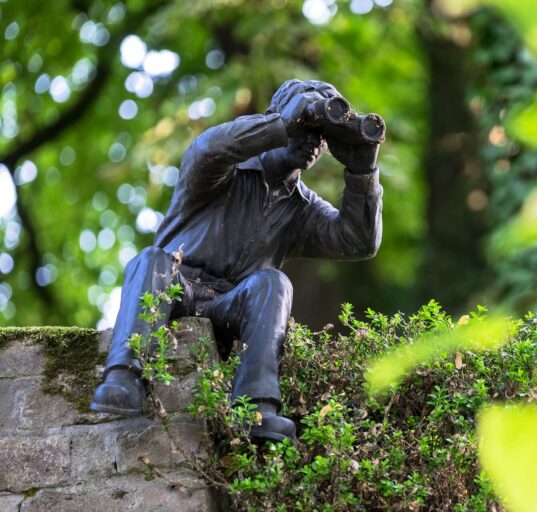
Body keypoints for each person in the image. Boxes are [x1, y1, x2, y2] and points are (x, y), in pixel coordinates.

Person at [90, 80, 384, 442]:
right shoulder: (223, 166)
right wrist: (279, 126)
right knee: (151, 260)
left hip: (227, 307)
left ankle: (256, 408)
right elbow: (209, 148)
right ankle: (123, 375)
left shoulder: (301, 207)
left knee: (273, 282)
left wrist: (362, 171)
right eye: (307, 129)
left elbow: (357, 241)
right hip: (173, 286)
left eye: (322, 137)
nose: (313, 143)